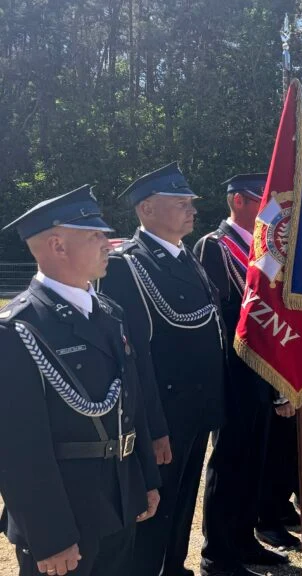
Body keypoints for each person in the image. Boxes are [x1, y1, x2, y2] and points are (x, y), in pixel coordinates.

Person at [0, 186, 161, 576]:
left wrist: (146, 481)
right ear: (57, 245)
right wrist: (51, 536)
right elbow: (18, 450)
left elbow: (131, 403)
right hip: (65, 514)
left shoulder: (109, 312)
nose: (108, 243)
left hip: (119, 497)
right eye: (95, 236)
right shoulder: (19, 329)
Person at [97, 163, 227, 576]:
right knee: (155, 510)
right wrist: (152, 428)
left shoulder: (187, 258)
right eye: (181, 203)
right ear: (147, 210)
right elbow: (132, 357)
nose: (192, 210)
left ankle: (173, 567)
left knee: (183, 500)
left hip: (197, 408)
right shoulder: (126, 267)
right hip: (164, 414)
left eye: (191, 203)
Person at [193, 174, 288, 574]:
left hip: (261, 367)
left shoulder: (264, 250)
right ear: (237, 201)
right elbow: (215, 316)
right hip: (233, 369)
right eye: (258, 201)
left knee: (256, 455)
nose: (266, 210)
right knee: (230, 457)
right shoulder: (214, 247)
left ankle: (245, 538)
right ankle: (218, 550)